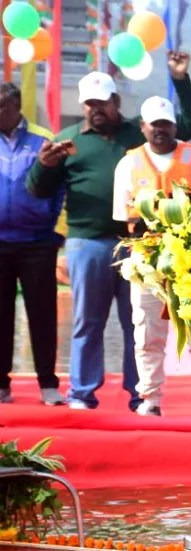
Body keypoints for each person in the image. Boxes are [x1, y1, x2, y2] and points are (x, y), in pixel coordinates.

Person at [27, 57, 191, 411]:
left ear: (116, 102)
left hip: (138, 243)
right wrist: (43, 167)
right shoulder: (67, 141)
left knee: (136, 322)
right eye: (89, 104)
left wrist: (180, 80)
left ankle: (140, 393)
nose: (95, 109)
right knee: (86, 322)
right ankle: (82, 393)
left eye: (102, 103)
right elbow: (37, 190)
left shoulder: (138, 133)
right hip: (87, 242)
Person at [112, 96, 191, 417]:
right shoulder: (128, 165)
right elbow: (121, 218)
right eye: (154, 125)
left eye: (165, 124)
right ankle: (150, 400)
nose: (160, 130)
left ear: (175, 126)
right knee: (147, 333)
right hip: (147, 261)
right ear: (143, 127)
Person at [0, 82, 65, 406]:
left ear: (16, 106)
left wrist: (54, 229)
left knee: (42, 314)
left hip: (38, 243)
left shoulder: (42, 141)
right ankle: (1, 385)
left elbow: (60, 188)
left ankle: (48, 384)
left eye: (1, 106)